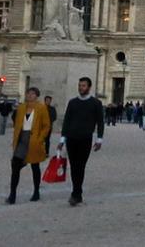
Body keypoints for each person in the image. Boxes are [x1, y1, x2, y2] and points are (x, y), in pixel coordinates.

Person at [58, 76, 104, 206]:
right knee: (74, 166)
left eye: (83, 86)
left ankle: (76, 193)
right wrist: (62, 139)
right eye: (79, 85)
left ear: (89, 87)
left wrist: (99, 139)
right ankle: (76, 193)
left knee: (81, 166)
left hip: (85, 138)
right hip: (72, 138)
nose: (81, 88)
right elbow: (66, 121)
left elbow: (100, 122)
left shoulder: (95, 103)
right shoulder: (72, 103)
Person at [6, 87, 50, 204]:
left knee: (35, 166)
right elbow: (16, 121)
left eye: (33, 93)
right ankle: (12, 194)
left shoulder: (41, 108)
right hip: (22, 138)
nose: (30, 95)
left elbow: (46, 125)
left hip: (34, 139)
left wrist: (40, 139)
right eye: (28, 93)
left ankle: (36, 191)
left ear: (37, 96)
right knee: (15, 166)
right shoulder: (21, 108)